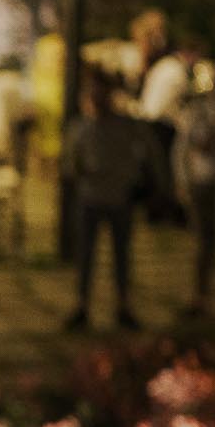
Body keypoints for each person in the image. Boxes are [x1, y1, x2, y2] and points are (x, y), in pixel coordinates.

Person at [62, 74, 163, 331]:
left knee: (121, 255)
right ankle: (82, 304)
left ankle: (123, 305)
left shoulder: (125, 126)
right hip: (90, 197)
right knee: (86, 255)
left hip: (118, 197)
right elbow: (71, 163)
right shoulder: (81, 127)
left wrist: (145, 180)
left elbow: (149, 149)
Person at [172, 83, 215, 313]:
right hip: (202, 183)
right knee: (204, 240)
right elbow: (185, 148)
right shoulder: (199, 113)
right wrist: (182, 182)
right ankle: (201, 294)